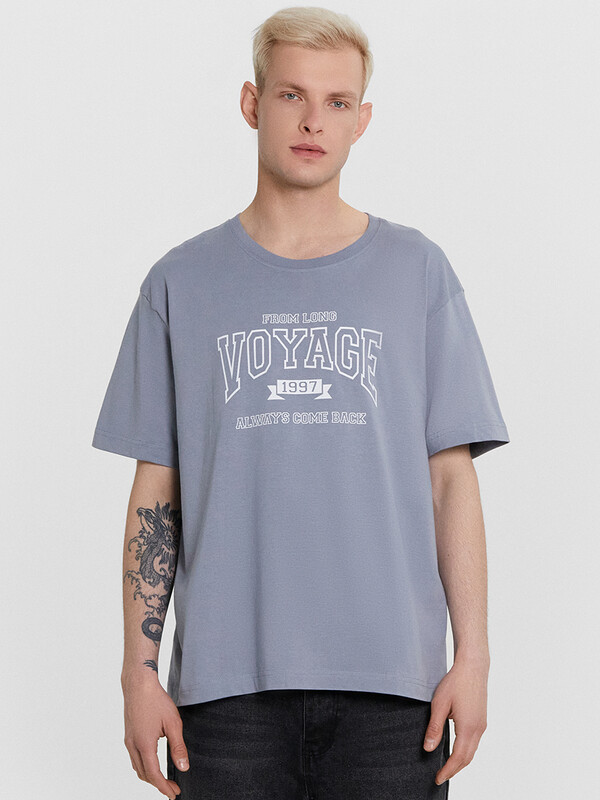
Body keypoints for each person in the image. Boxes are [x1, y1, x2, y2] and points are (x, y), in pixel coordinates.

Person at [92, 6, 510, 799]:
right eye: (292, 96)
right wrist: (137, 673)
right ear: (252, 104)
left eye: (337, 101)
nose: (314, 120)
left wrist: (475, 658)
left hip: (396, 694)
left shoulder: (418, 272)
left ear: (362, 121)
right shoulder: (181, 282)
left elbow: (451, 480)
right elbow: (157, 491)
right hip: (225, 696)